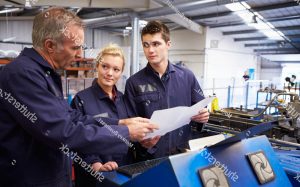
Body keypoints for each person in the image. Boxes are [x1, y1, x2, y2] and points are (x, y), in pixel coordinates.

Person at [0, 7, 157, 187]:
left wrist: (120, 123)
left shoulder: (47, 74)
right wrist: (127, 133)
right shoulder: (22, 74)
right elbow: (63, 131)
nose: (79, 54)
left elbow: (73, 118)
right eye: (74, 47)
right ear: (50, 45)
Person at [124, 20, 209, 161]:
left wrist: (203, 116)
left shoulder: (187, 76)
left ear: (168, 44)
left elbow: (200, 109)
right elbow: (130, 125)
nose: (150, 50)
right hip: (149, 158)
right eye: (146, 45)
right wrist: (142, 144)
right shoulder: (134, 83)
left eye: (156, 44)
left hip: (183, 154)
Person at [71, 43, 133, 186]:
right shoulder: (81, 99)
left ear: (121, 72)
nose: (110, 73)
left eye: (116, 69)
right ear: (97, 66)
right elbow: (77, 136)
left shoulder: (123, 99)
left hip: (123, 173)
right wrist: (96, 164)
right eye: (105, 66)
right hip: (94, 176)